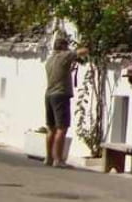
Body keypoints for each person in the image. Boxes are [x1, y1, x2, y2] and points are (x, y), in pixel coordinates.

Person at [45, 36, 88, 167]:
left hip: (49, 94)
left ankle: (49, 158)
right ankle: (58, 159)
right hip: (61, 95)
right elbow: (81, 52)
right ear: (63, 47)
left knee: (51, 128)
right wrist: (87, 47)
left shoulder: (50, 60)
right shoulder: (64, 56)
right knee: (61, 128)